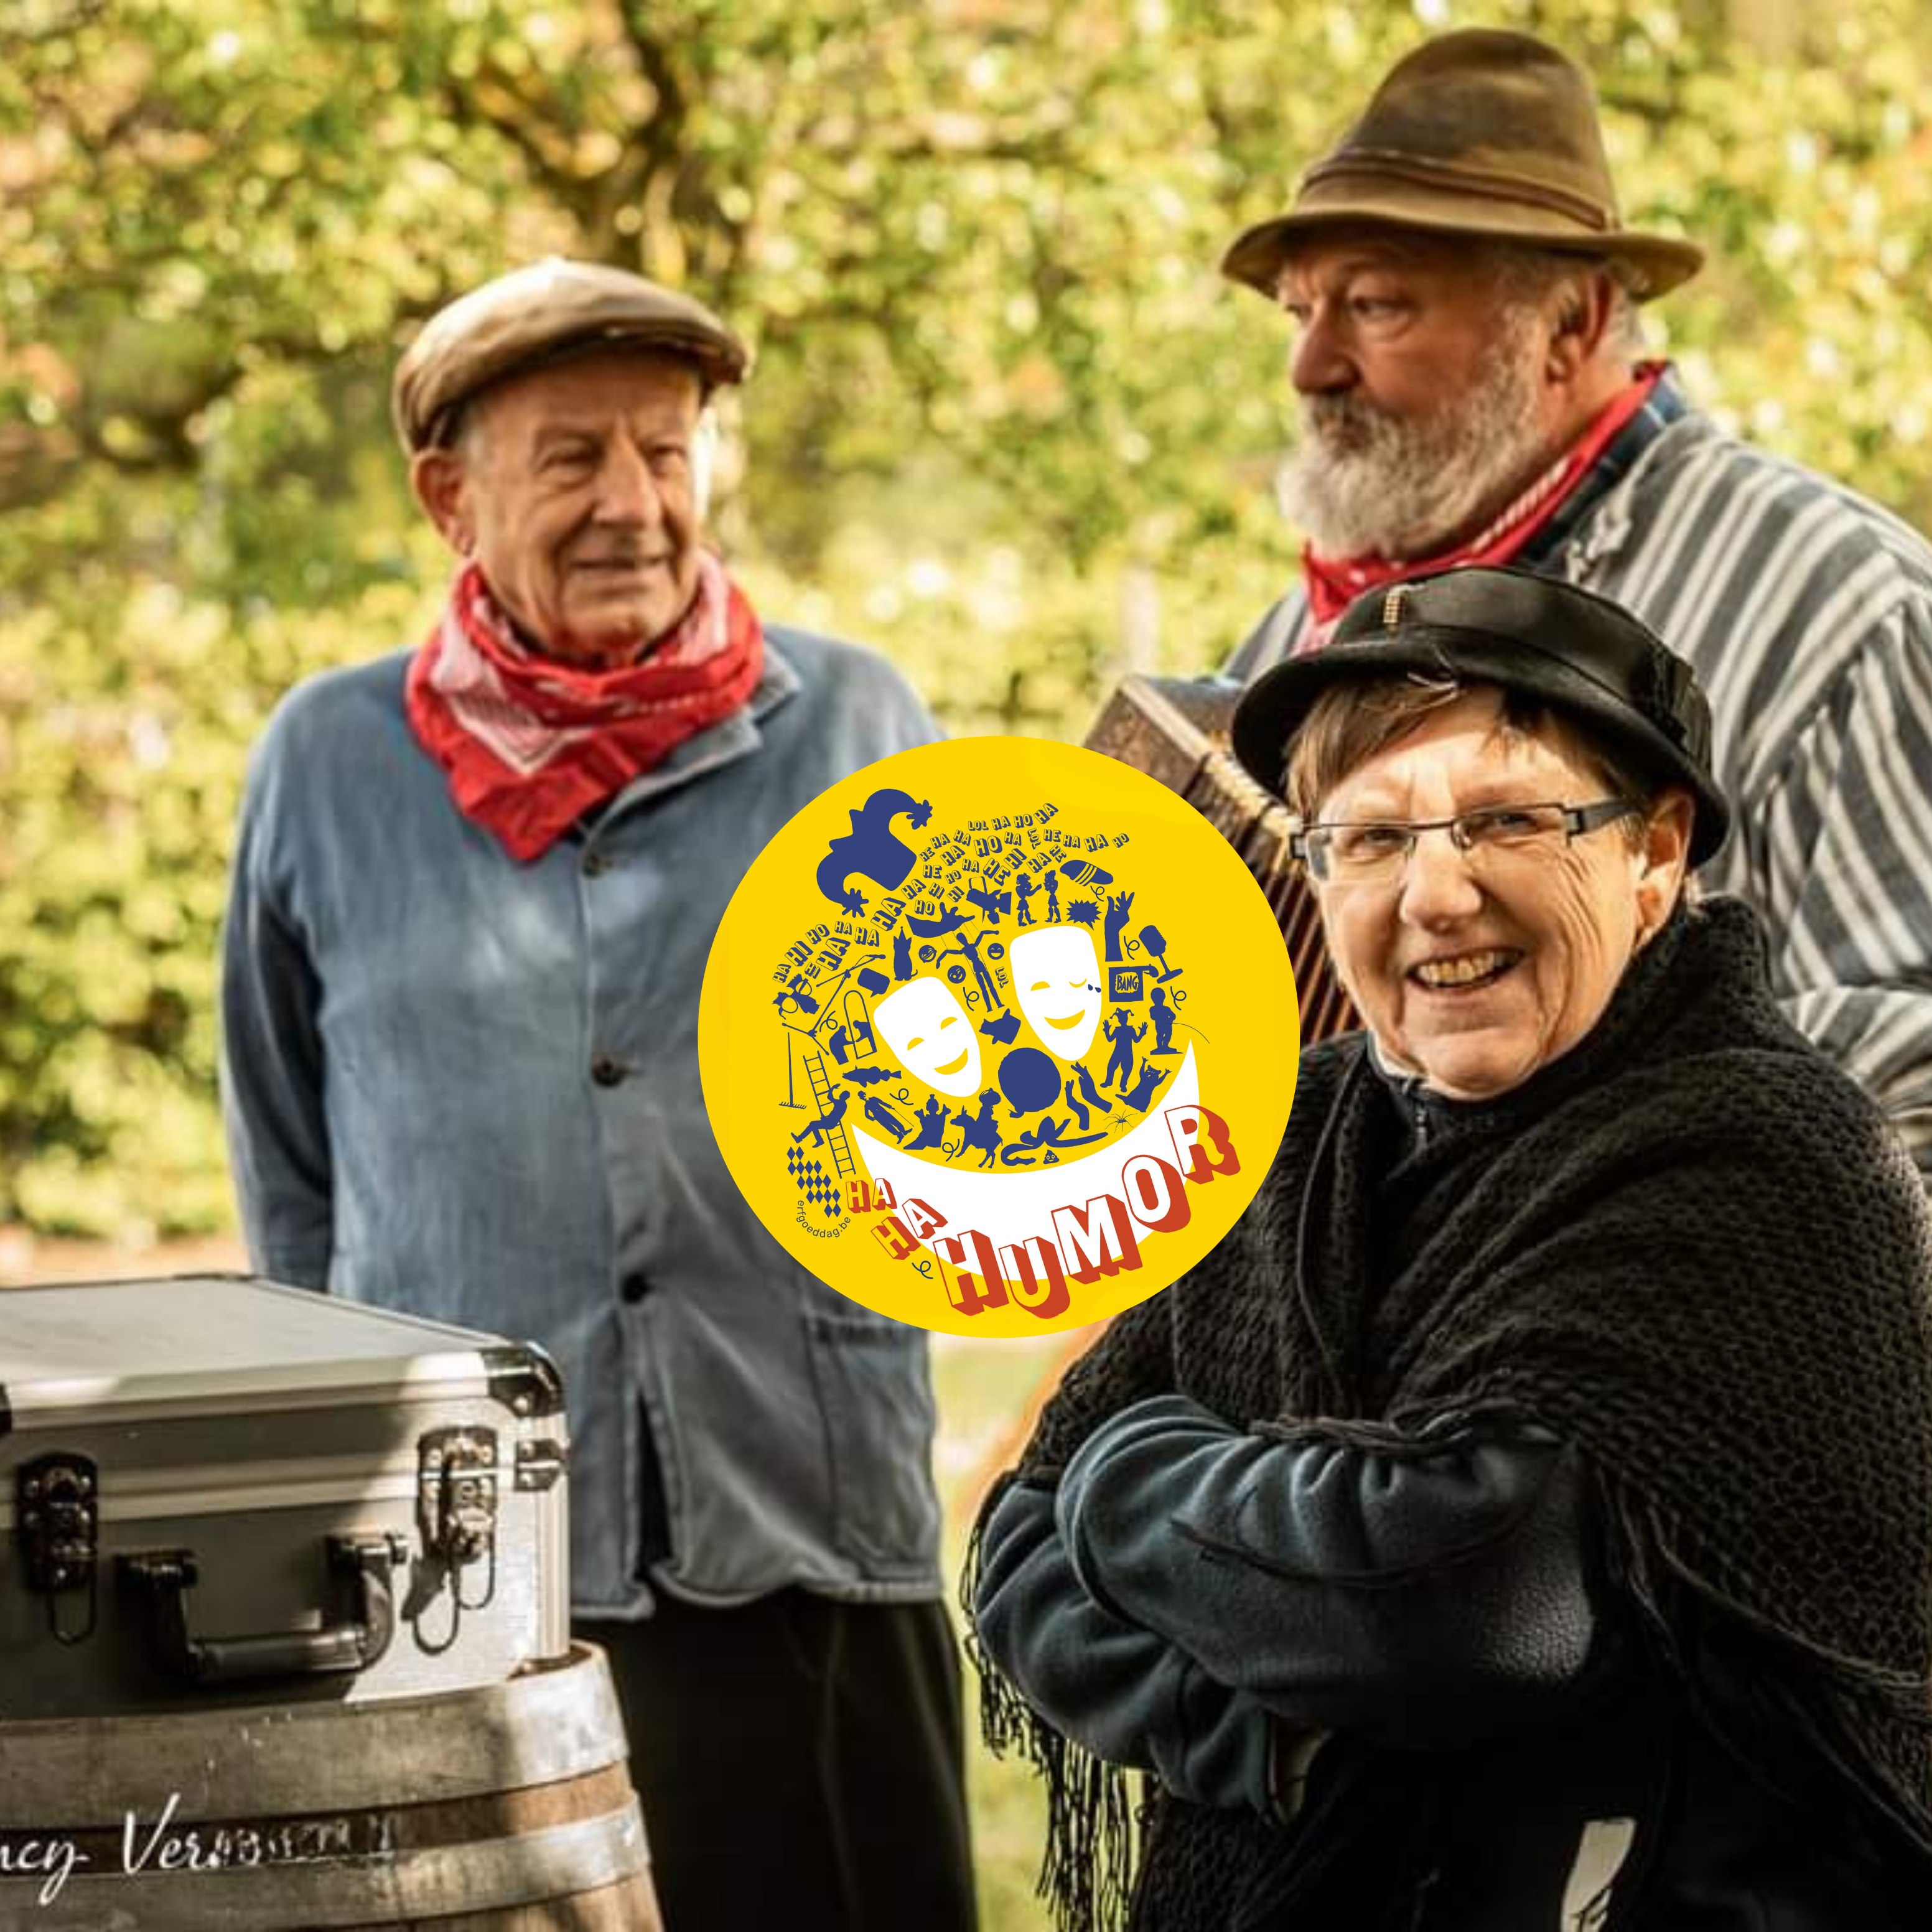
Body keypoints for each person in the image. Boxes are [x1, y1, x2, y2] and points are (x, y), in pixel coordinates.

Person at [971, 566, 1932, 1931]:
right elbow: (1017, 1545)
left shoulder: (1760, 1153)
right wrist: (1277, 1740)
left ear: (1655, 854)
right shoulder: (1289, 1130)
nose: (1434, 895)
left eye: (1508, 820)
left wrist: (1126, 1472)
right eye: (1369, 838)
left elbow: (1471, 1603)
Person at [221, 258, 975, 1932]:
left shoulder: (858, 723)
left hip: (803, 1520)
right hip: (455, 1568)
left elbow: (981, 1097)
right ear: (450, 495)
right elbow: (290, 1180)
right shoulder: (325, 760)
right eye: (573, 458)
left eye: (666, 449)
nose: (634, 502)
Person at [1218, 26, 1932, 1183]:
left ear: (1570, 326)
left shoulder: (1840, 605)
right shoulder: (1303, 640)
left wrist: (1556, 1233)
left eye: (1377, 306)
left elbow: (1909, 1095)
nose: (1313, 368)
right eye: (1302, 313)